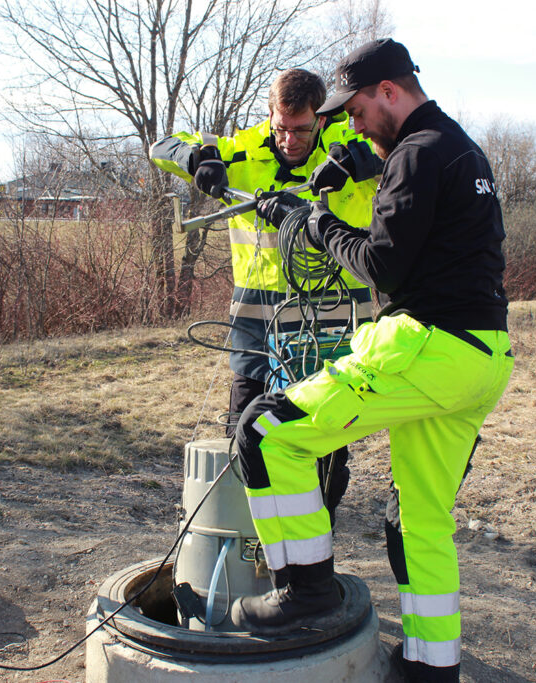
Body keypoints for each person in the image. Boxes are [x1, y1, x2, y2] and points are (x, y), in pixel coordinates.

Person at [229, 39, 514, 683]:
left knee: (265, 430)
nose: (350, 126)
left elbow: (381, 266)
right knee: (420, 522)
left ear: (389, 91)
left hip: (430, 347)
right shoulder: (460, 147)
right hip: (485, 356)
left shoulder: (417, 153)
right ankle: (429, 667)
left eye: (355, 112)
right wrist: (357, 172)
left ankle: (304, 591)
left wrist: (312, 220)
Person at [149, 68, 382, 526]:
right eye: (282, 128)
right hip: (255, 320)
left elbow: (405, 158)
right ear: (270, 115)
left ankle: (315, 541)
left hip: (328, 320)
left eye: (302, 130)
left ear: (320, 119)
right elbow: (161, 149)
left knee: (323, 439)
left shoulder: (350, 144)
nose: (290, 140)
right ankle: (250, 538)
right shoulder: (245, 148)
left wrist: (363, 162)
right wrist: (201, 158)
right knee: (244, 429)